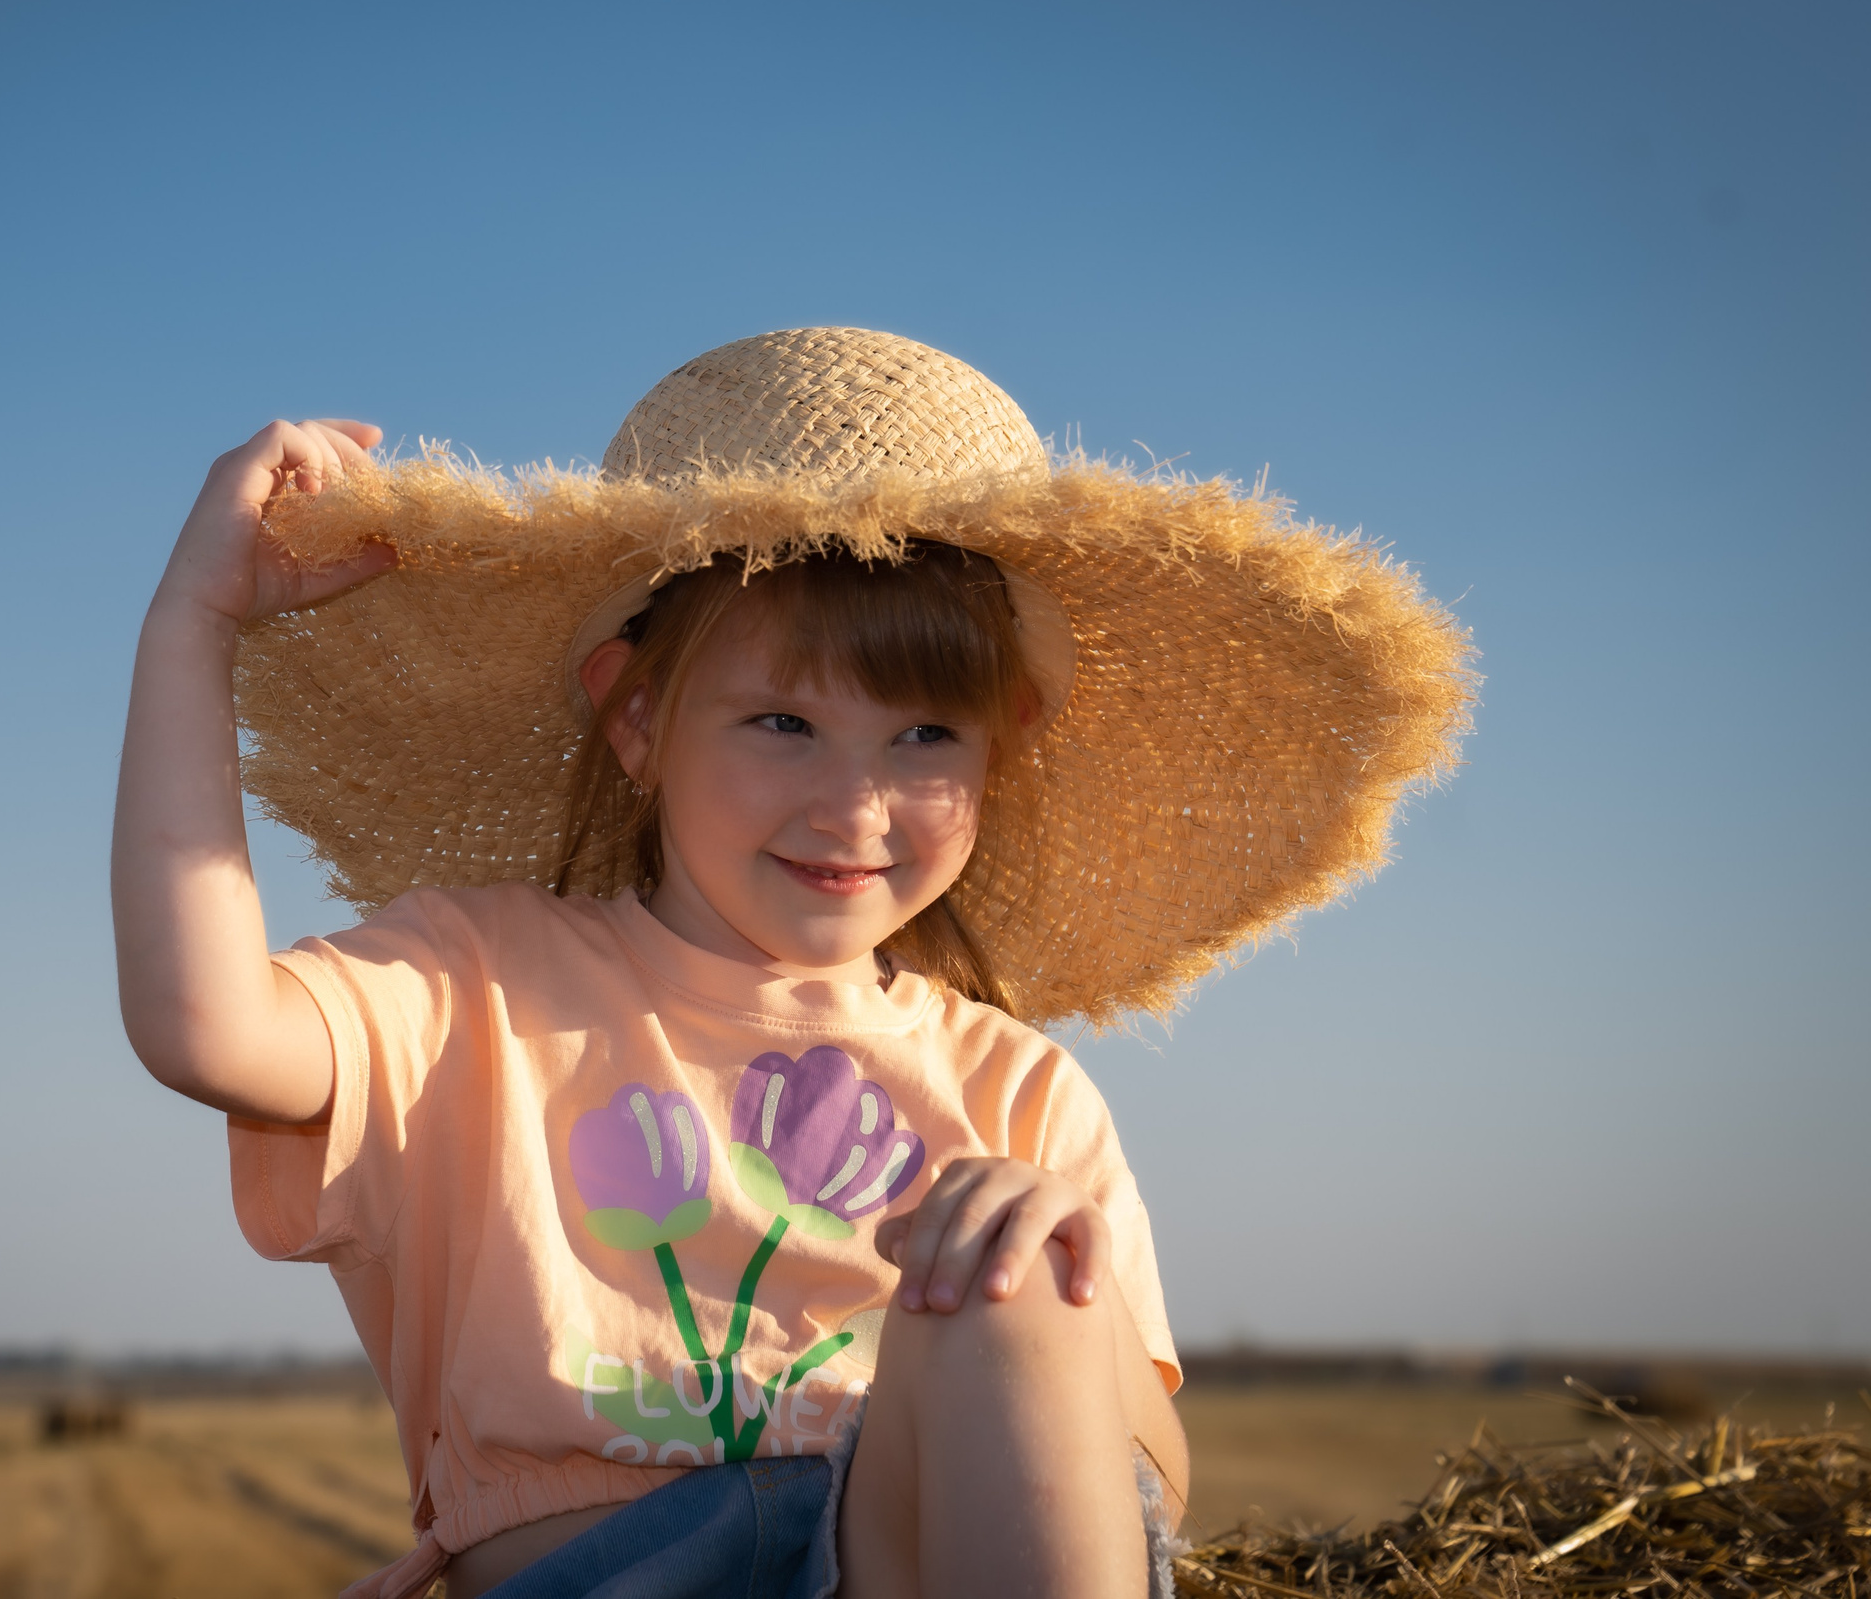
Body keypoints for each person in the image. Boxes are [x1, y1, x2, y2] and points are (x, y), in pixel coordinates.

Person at [112, 330, 1474, 1599]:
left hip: (900, 1550)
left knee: (1005, 1290)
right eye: (783, 721)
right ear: (638, 721)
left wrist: (1048, 1282)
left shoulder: (1018, 1089)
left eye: (926, 739)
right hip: (611, 1567)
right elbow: (206, 1029)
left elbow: (1151, 1479)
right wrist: (194, 625)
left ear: (1000, 754)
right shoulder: (474, 985)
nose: (857, 807)